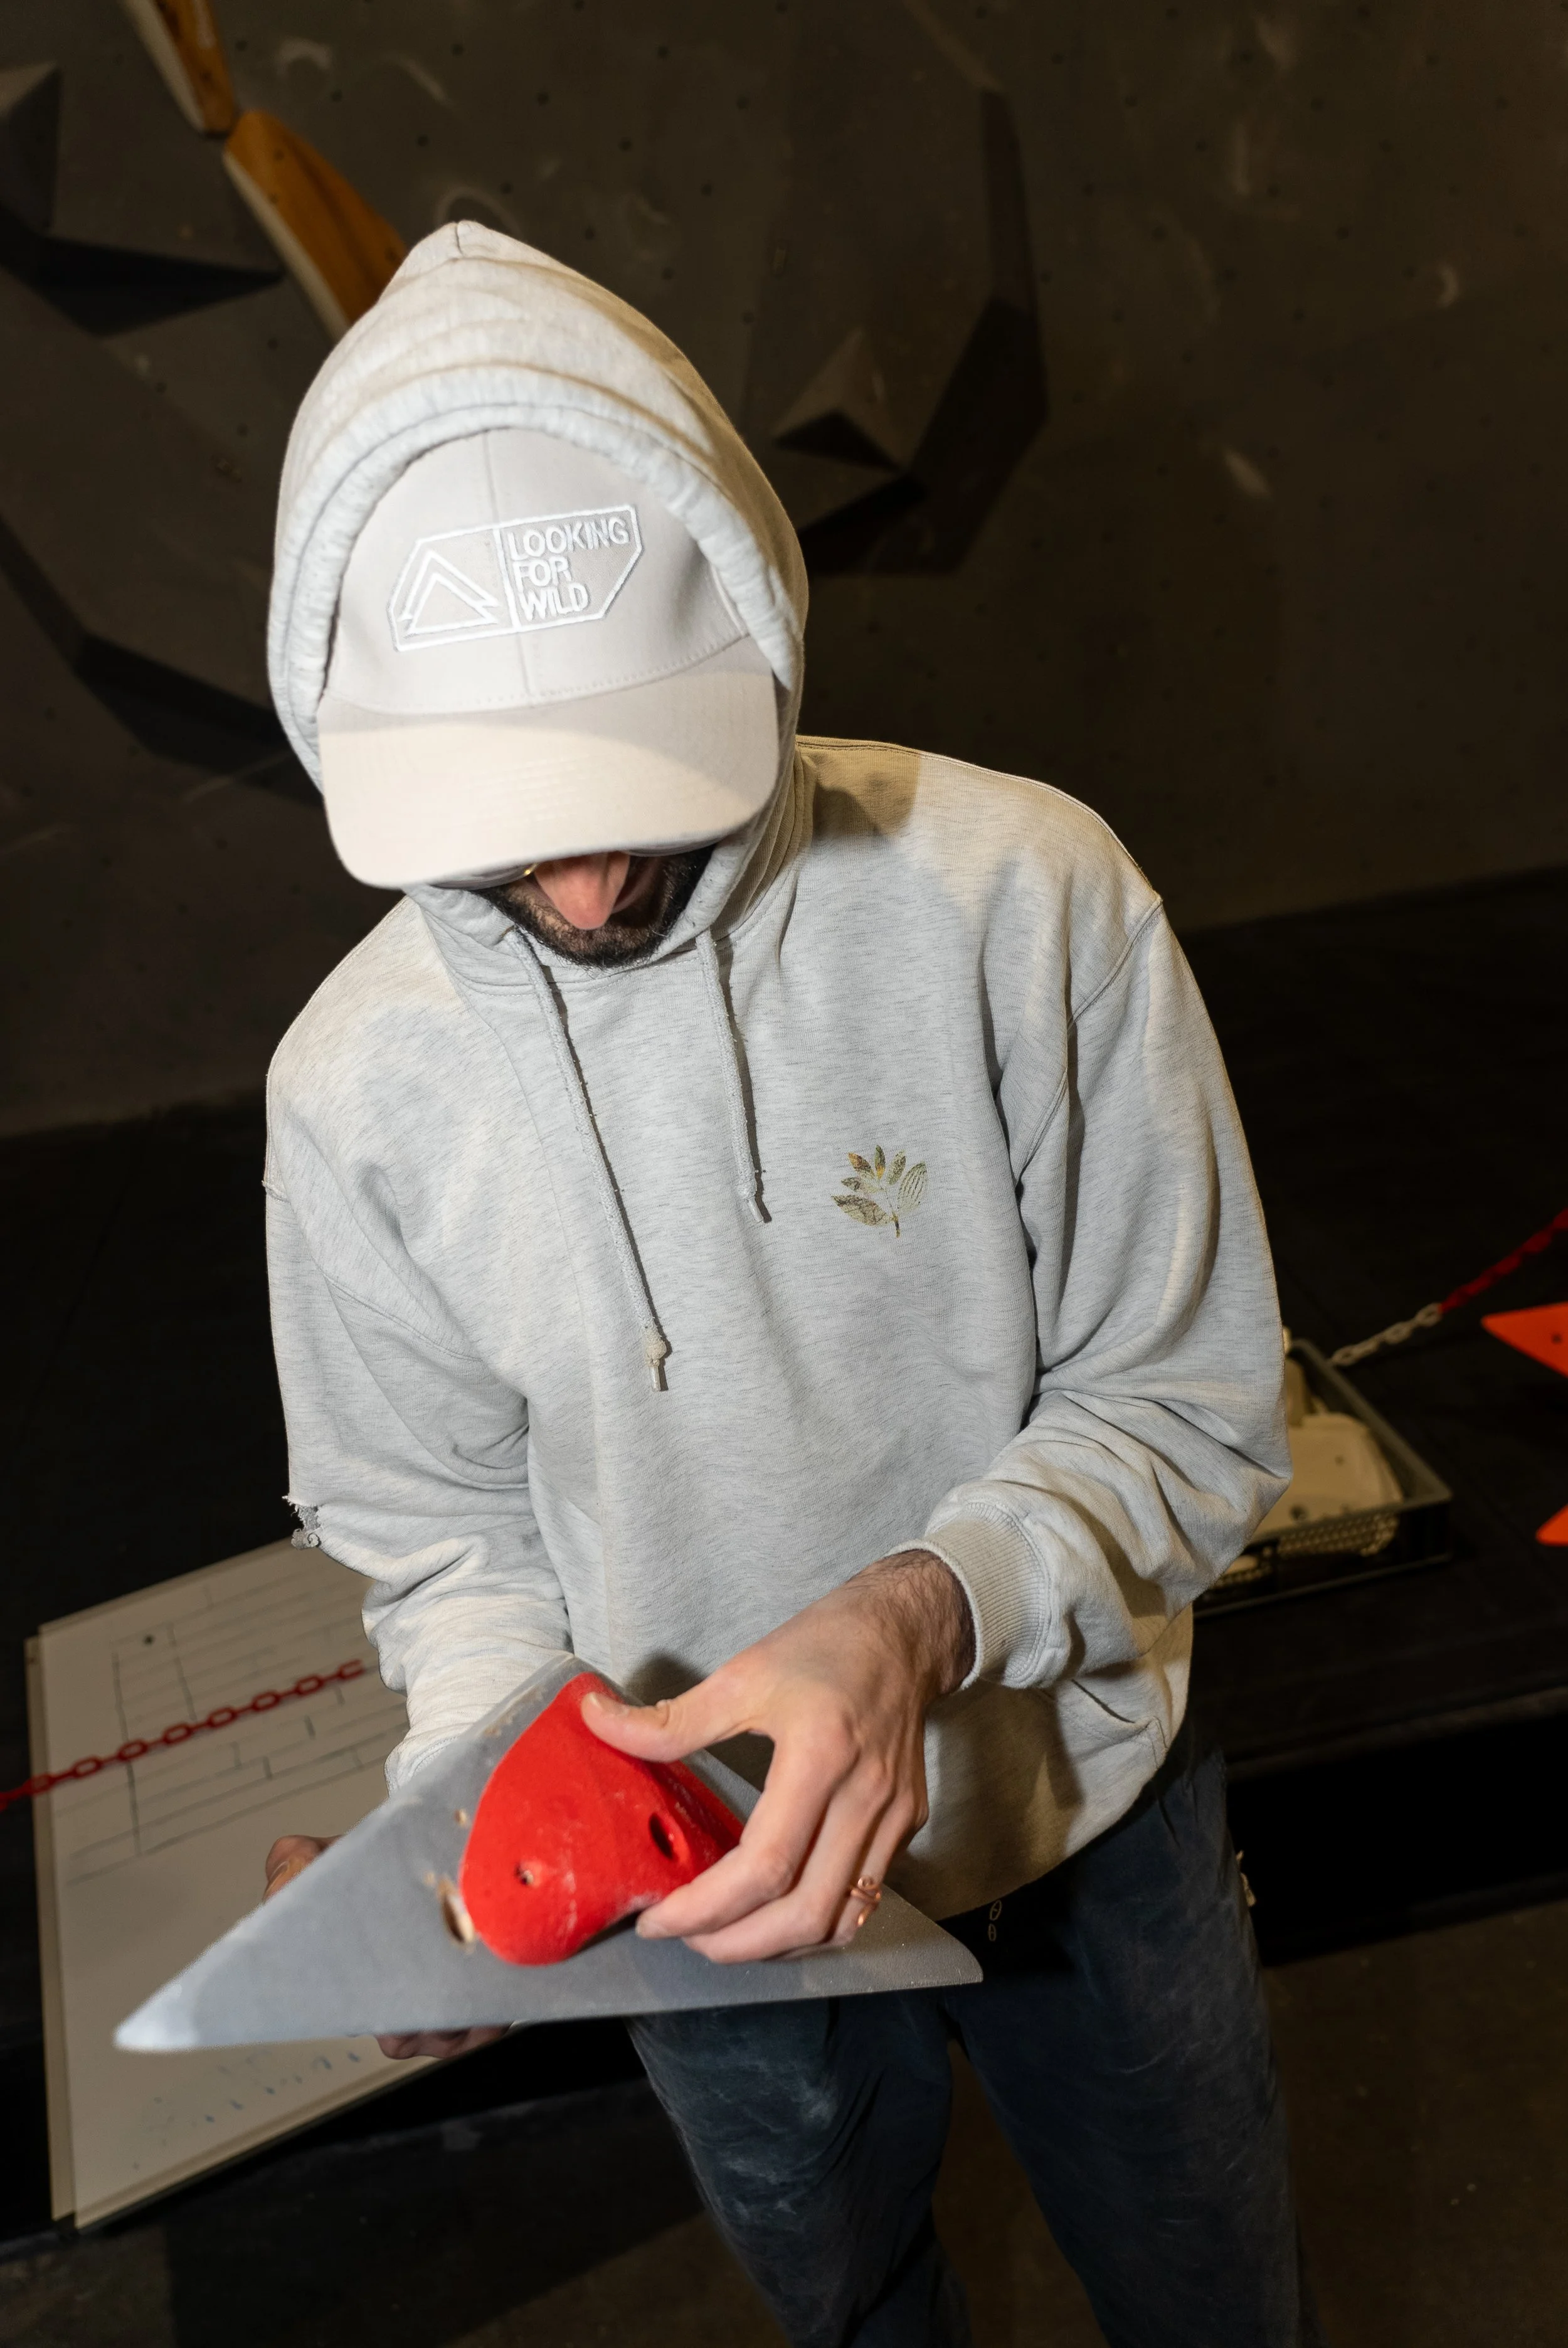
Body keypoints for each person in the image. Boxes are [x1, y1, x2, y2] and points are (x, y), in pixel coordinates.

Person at [260, 223, 1320, 2347]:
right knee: (851, 2310)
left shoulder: (1022, 900)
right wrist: (478, 1811)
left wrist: (919, 1612)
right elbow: (446, 1532)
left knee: (1211, 2295)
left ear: (749, 617)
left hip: (1078, 1804)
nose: (584, 890)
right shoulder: (353, 1089)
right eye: (507, 826)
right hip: (697, 1904)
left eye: (623, 784)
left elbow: (1191, 1410)